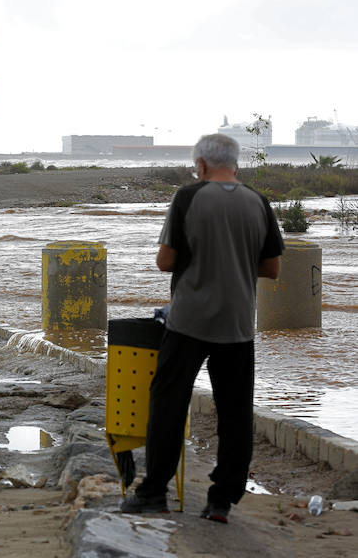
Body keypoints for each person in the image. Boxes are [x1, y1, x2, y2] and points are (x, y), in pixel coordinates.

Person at [120, 133, 284, 523]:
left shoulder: (189, 198)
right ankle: (221, 502)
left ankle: (153, 492)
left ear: (202, 165)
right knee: (235, 413)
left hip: (189, 320)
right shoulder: (258, 203)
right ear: (235, 165)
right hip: (238, 324)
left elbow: (165, 261)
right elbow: (272, 268)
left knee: (168, 404)